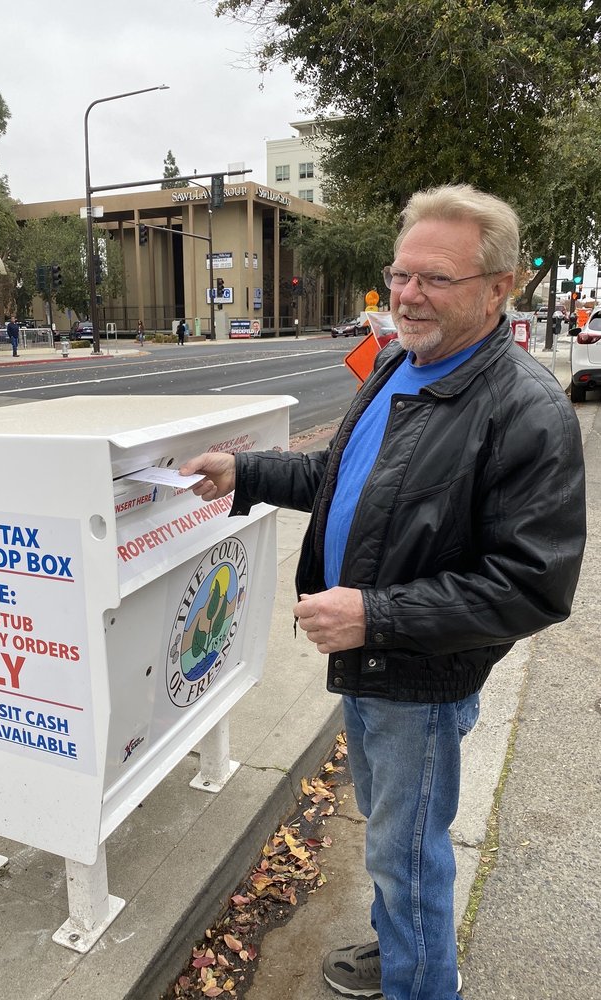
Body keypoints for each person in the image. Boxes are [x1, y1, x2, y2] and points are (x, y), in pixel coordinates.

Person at [180, 184, 586, 1000]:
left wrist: (374, 613)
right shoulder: (404, 364)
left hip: (418, 680)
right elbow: (345, 479)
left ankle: (421, 983)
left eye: (435, 279)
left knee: (407, 853)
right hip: (368, 667)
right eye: (401, 274)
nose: (406, 295)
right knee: (391, 843)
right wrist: (248, 471)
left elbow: (534, 585)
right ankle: (402, 950)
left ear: (500, 287)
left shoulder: (526, 409)